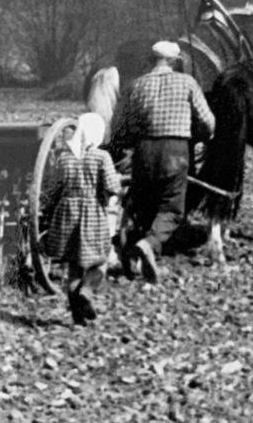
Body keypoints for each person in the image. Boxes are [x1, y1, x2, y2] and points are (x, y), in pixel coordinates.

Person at [109, 39, 215, 283]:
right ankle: (150, 244)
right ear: (174, 62)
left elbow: (119, 127)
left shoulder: (136, 85)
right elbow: (207, 122)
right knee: (172, 208)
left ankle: (144, 253)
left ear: (151, 61)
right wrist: (202, 136)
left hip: (143, 152)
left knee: (145, 205)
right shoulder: (187, 82)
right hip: (175, 151)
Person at [39, 112, 121, 325]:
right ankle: (87, 289)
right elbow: (113, 187)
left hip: (66, 213)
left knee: (73, 266)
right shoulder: (102, 157)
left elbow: (52, 190)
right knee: (101, 260)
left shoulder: (63, 157)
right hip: (92, 212)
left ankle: (77, 318)